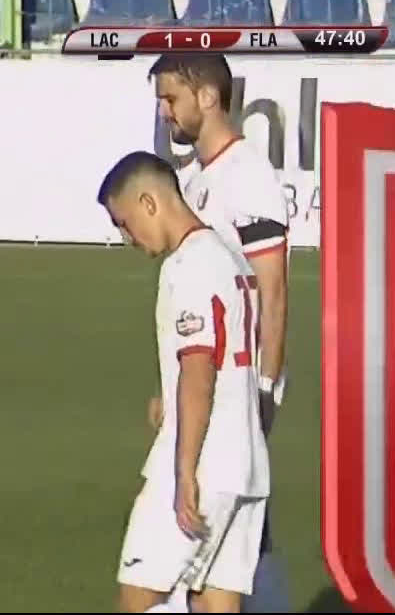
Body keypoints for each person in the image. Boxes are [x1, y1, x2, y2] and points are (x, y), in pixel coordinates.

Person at [147, 53, 292, 612]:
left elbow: (272, 291)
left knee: (209, 537)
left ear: (207, 97)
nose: (165, 112)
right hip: (206, 387)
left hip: (237, 390)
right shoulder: (193, 179)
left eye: (171, 98)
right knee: (231, 539)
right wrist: (171, 387)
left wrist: (265, 390)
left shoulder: (247, 173)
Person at [100, 151, 269, 613]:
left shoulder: (190, 263)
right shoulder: (230, 257)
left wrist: (184, 471)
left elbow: (199, 371)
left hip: (205, 462)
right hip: (246, 465)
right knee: (216, 603)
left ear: (149, 202)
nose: (126, 237)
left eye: (125, 223)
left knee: (138, 597)